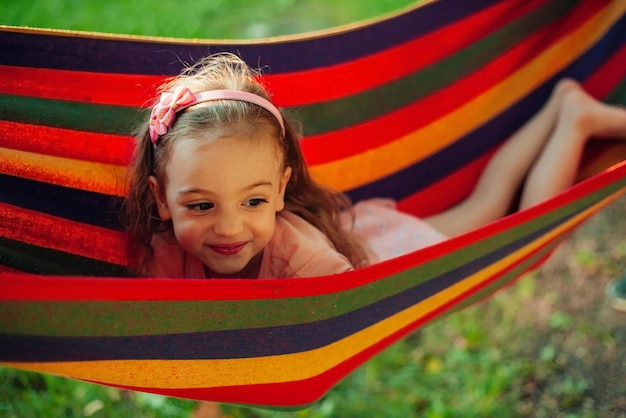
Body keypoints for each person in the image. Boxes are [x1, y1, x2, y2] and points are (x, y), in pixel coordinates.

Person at [124, 53, 626, 278]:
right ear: (160, 199)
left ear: (281, 191)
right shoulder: (164, 257)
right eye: (201, 205)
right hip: (363, 233)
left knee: (512, 235)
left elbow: (335, 319)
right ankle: (565, 108)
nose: (229, 226)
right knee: (487, 204)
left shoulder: (312, 265)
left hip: (386, 260)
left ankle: (573, 120)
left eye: (253, 200)